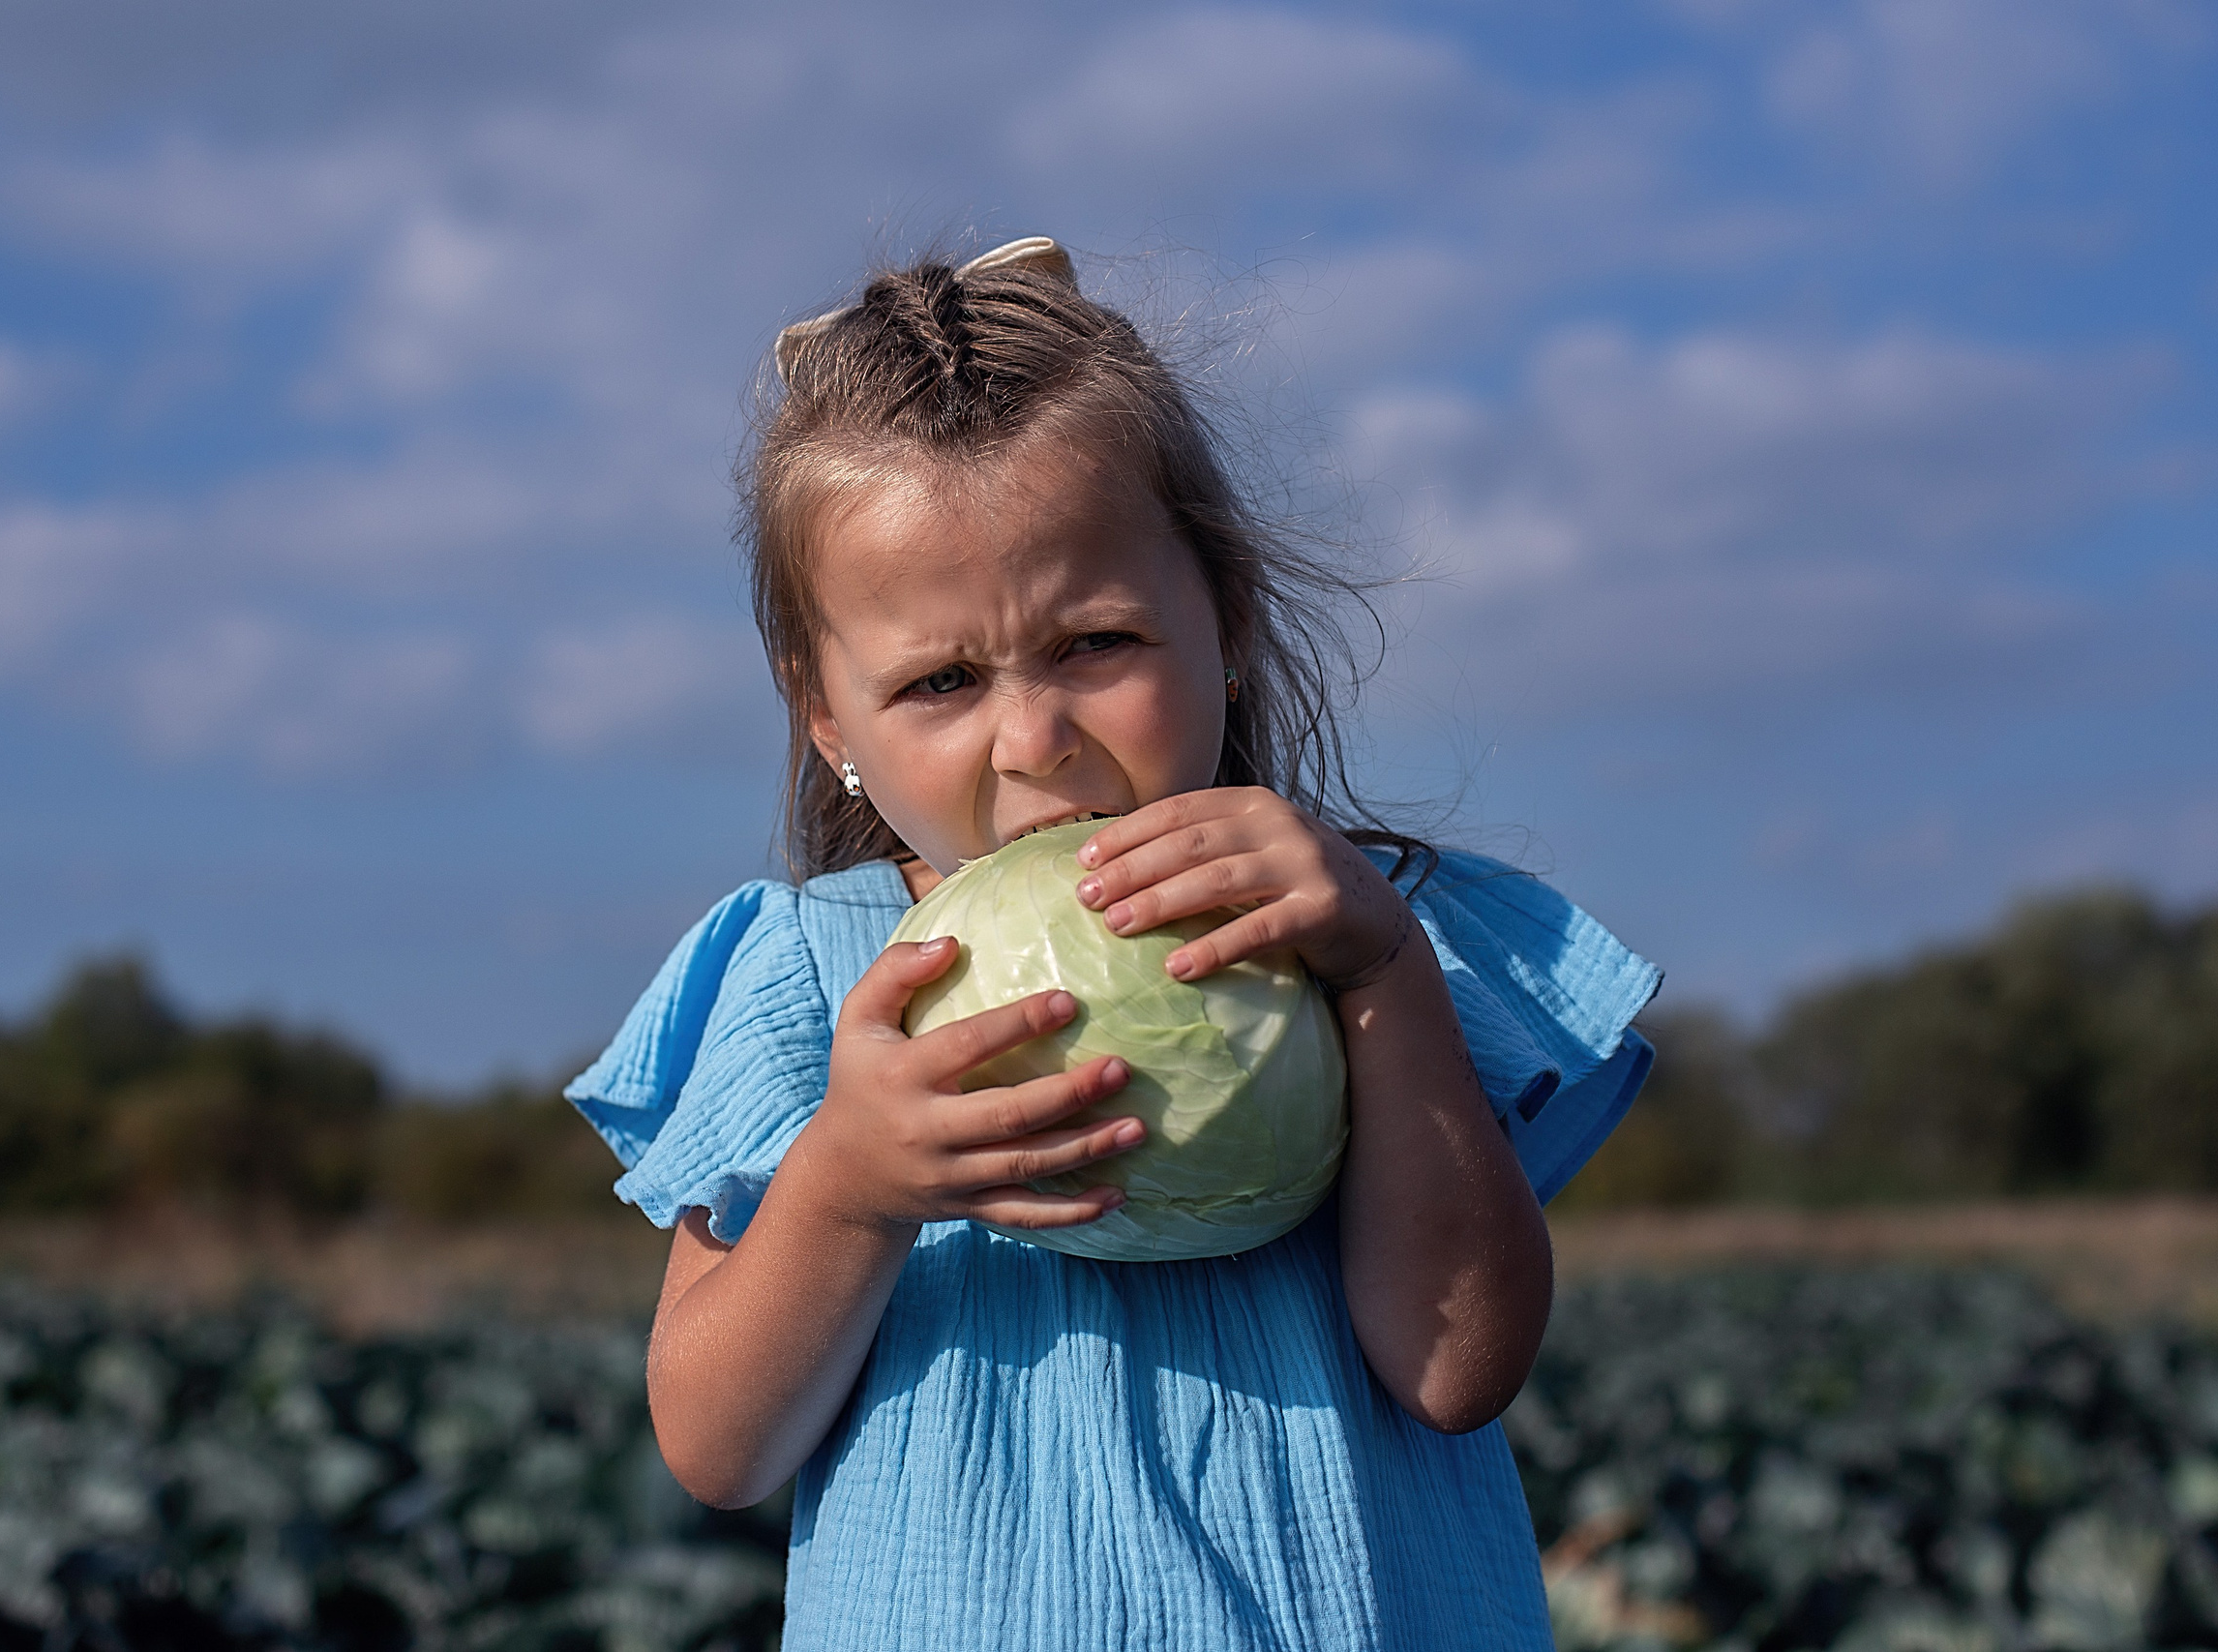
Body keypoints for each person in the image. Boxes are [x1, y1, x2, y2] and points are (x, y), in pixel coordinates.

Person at [566, 236, 1659, 1650]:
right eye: (941, 682)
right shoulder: (813, 979)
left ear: (1230, 618)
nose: (1035, 743)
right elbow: (719, 1448)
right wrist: (848, 1183)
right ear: (825, 716)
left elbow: (1457, 1365)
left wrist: (1382, 982)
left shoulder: (1382, 934)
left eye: (1096, 644)